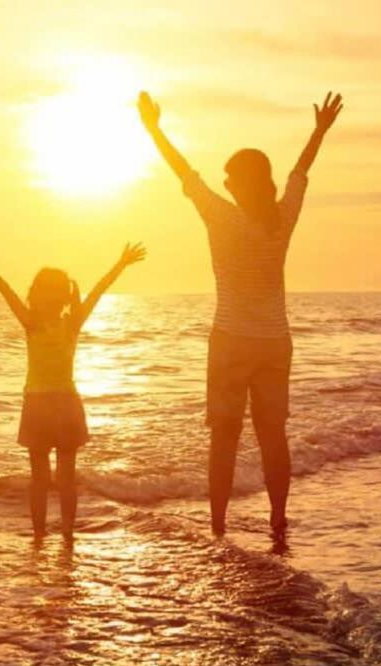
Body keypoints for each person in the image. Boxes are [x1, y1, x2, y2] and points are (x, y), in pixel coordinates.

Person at [137, 89, 343, 538]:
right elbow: (299, 172)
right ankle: (277, 517)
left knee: (224, 438)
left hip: (230, 339)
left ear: (239, 182)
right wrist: (318, 131)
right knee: (273, 436)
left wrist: (153, 128)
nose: (223, 183)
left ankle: (217, 525)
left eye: (228, 178)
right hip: (274, 342)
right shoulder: (281, 216)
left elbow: (183, 171)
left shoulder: (220, 216)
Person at [0, 240, 146, 539]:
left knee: (43, 479)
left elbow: (5, 288)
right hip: (64, 405)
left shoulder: (35, 323)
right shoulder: (69, 323)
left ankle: (44, 536)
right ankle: (62, 535)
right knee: (60, 478)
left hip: (41, 406)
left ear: (37, 294)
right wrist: (120, 264)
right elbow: (97, 291)